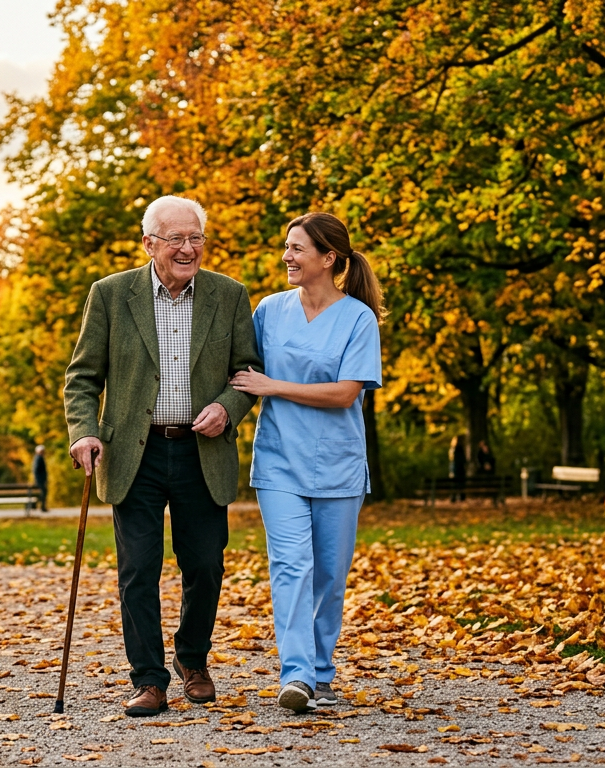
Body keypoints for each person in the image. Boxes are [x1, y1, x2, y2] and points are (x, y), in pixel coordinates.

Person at [64, 195, 261, 717]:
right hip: (136, 452)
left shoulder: (229, 294)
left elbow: (247, 371)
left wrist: (228, 406)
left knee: (204, 565)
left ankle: (192, 660)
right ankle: (148, 678)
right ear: (149, 243)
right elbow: (82, 378)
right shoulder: (110, 295)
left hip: (202, 450)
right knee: (138, 570)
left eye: (195, 237)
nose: (188, 248)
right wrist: (84, 432)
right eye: (175, 238)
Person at [230, 211, 383, 714]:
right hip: (278, 463)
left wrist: (274, 386)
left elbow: (345, 395)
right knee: (291, 566)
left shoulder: (359, 318)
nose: (287, 257)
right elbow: (239, 371)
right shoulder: (269, 310)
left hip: (337, 465)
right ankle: (296, 676)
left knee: (329, 576)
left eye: (297, 249)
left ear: (328, 258)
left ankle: (321, 672)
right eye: (287, 247)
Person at [449, 435, 468, 502]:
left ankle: (453, 497)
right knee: (461, 483)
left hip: (455, 470)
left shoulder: (453, 450)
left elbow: (451, 460)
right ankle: (462, 496)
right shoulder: (461, 450)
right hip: (461, 470)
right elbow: (464, 461)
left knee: (454, 484)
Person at [32, 444, 49, 512]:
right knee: (43, 493)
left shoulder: (37, 458)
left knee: (41, 493)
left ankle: (35, 506)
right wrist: (40, 479)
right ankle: (41, 507)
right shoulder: (39, 458)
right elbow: (37, 469)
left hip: (40, 479)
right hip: (40, 480)